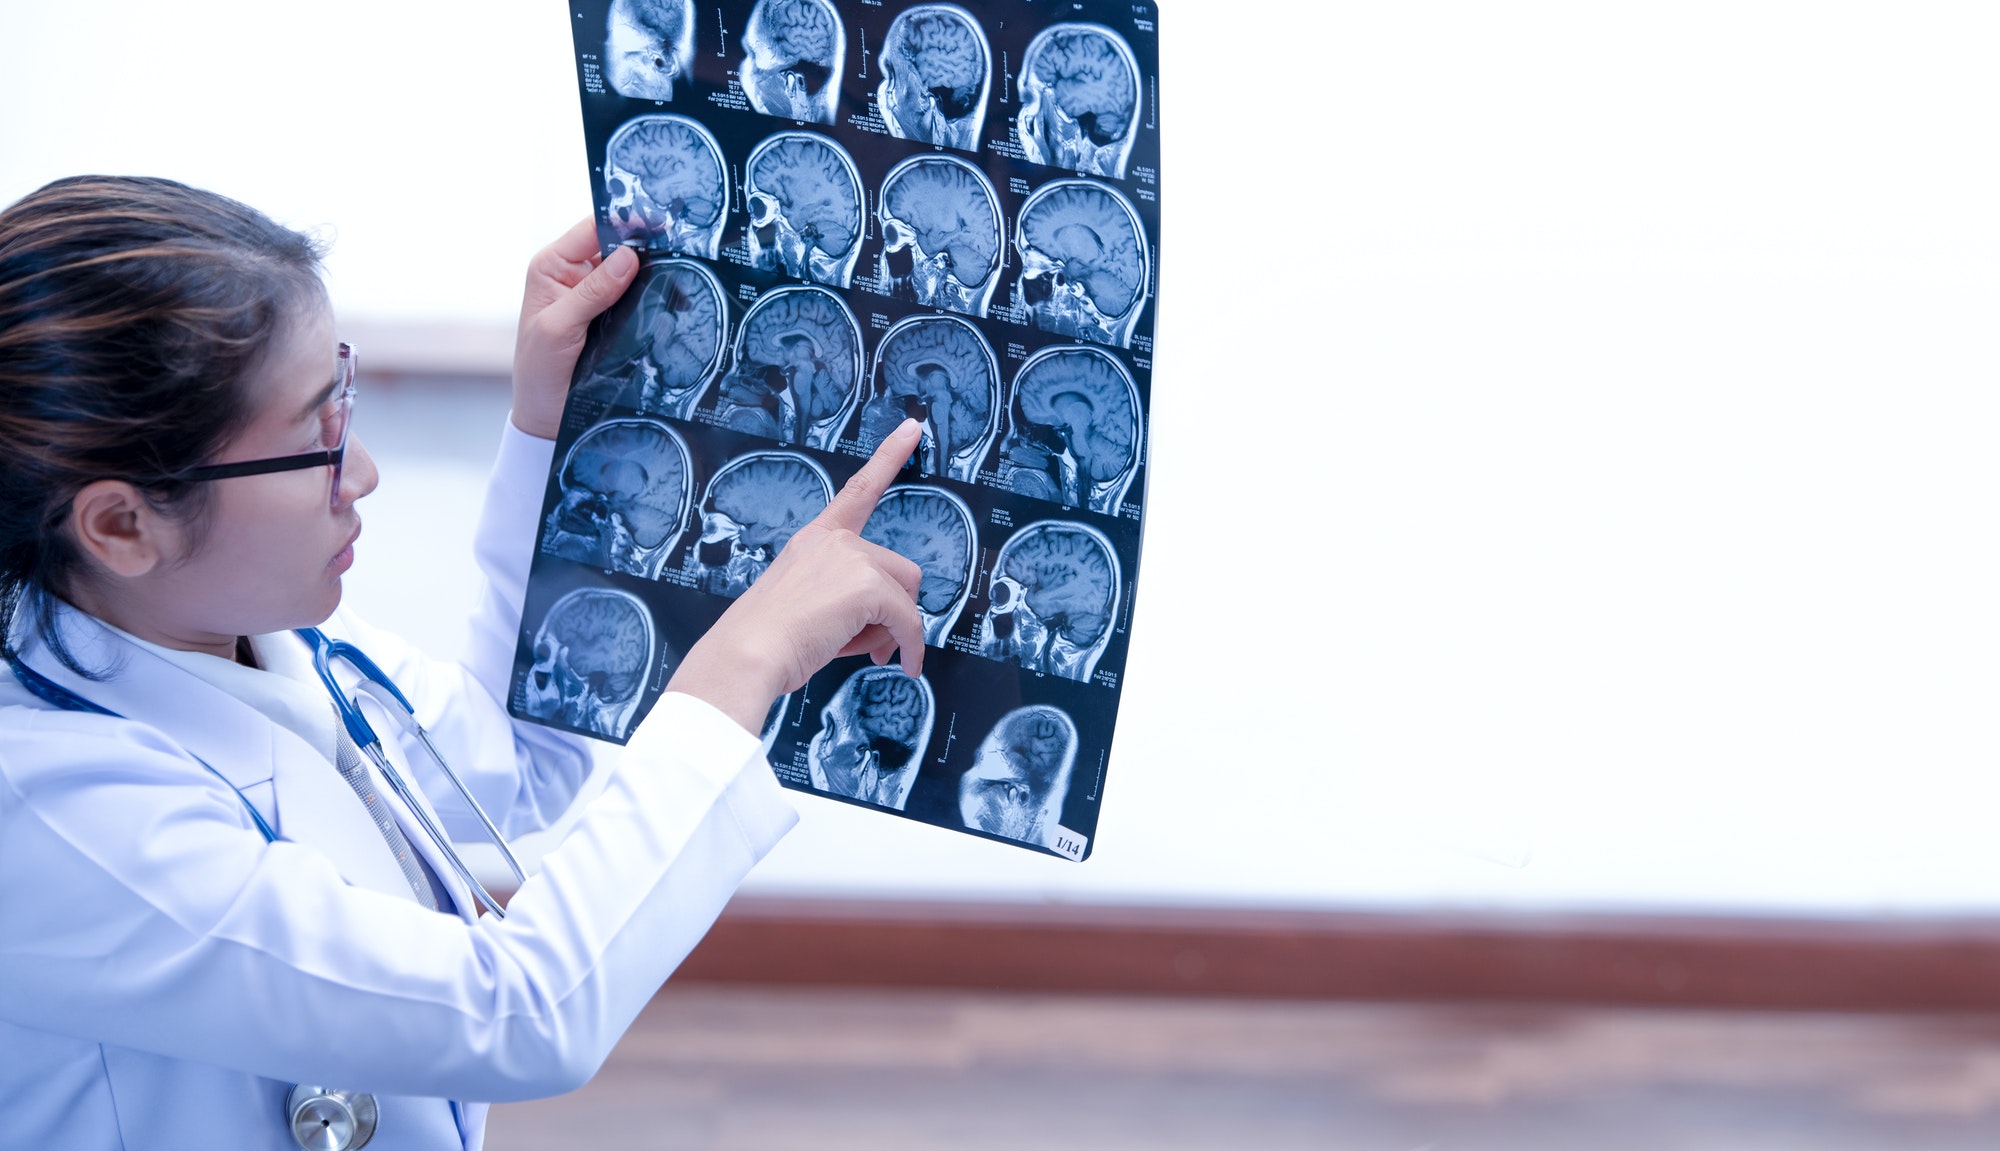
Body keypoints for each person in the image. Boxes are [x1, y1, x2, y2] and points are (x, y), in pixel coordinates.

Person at [0, 175, 926, 1149]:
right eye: (315, 438)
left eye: (343, 403)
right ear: (120, 523)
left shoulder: (287, 659)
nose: (361, 472)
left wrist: (556, 426)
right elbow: (515, 1011)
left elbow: (519, 749)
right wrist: (746, 658)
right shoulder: (48, 809)